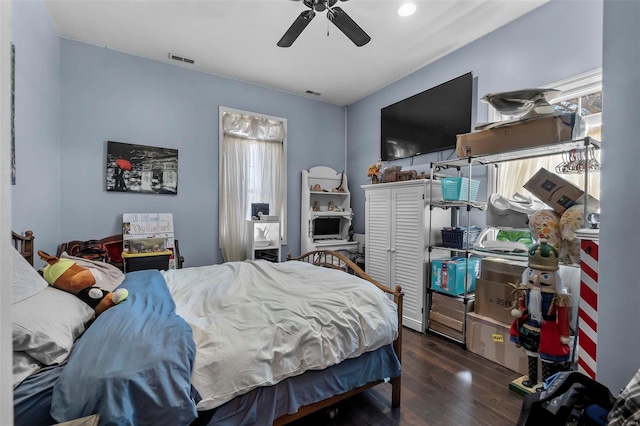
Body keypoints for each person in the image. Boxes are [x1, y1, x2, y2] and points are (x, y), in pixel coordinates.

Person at [510, 239, 572, 388]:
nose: (535, 278)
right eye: (532, 273)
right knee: (531, 354)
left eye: (544, 275)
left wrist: (564, 334)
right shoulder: (525, 291)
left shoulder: (559, 297)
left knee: (547, 359)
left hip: (548, 330)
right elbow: (522, 305)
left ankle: (545, 383)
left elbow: (562, 316)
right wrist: (519, 311)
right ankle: (532, 379)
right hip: (529, 326)